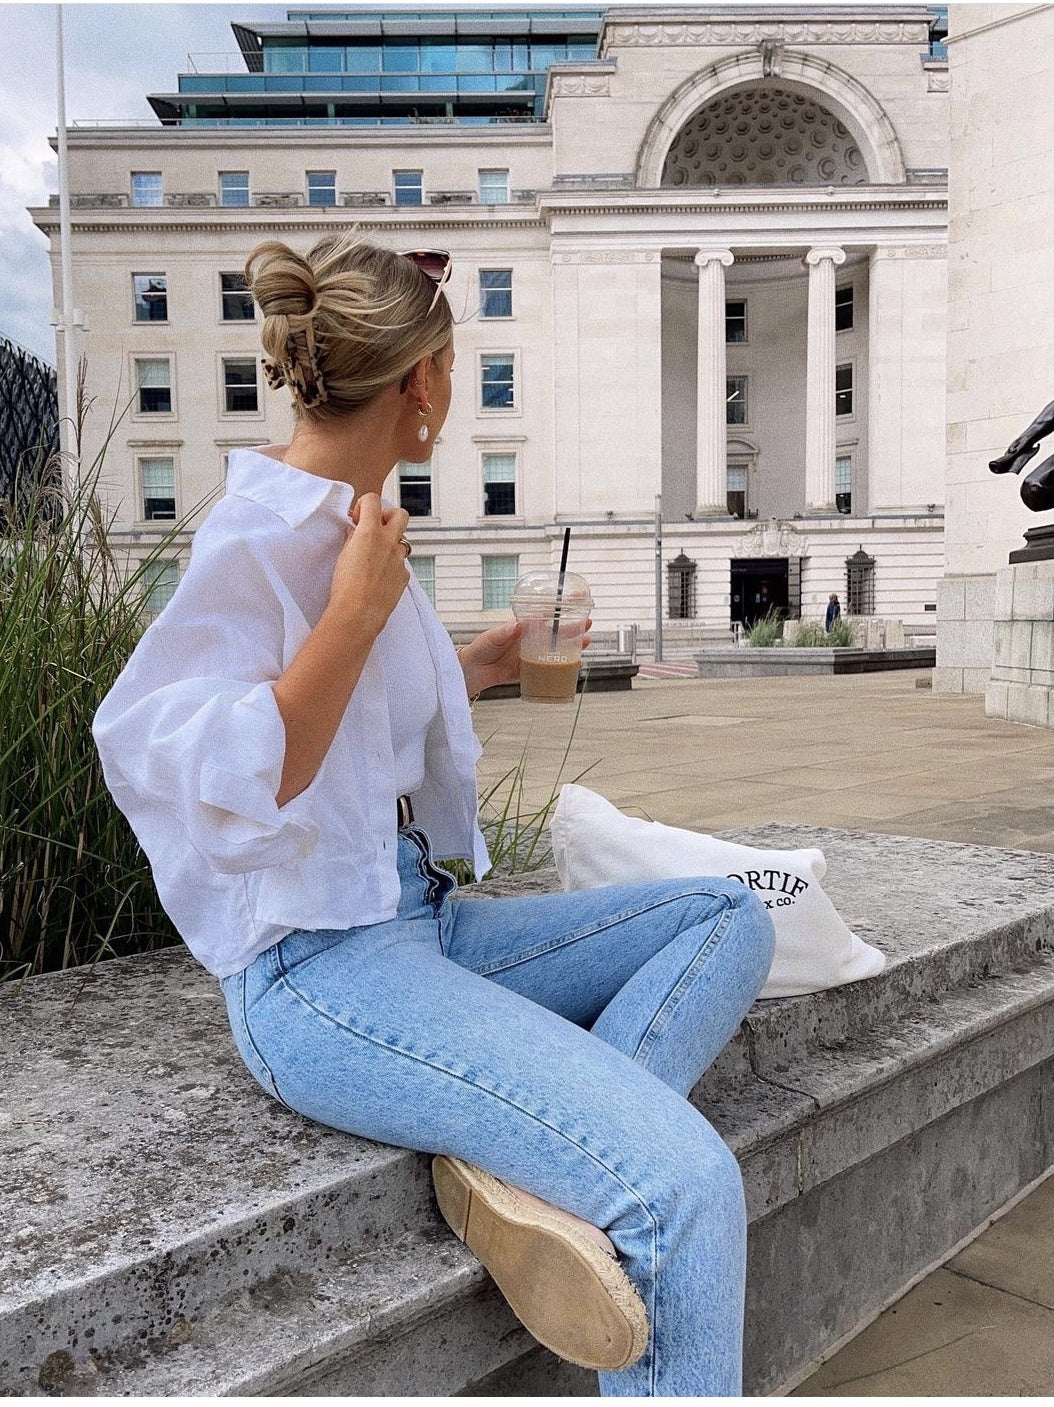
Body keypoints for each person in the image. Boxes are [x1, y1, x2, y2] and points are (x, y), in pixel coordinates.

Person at [93, 234, 775, 1396]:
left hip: (423, 925)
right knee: (680, 1187)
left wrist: (490, 662)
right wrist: (350, 619)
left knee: (727, 916)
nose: (452, 400)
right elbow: (180, 756)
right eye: (452, 372)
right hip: (318, 971)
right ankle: (587, 1168)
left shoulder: (359, 526)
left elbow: (358, 727)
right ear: (421, 383)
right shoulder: (259, 537)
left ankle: (522, 1176)